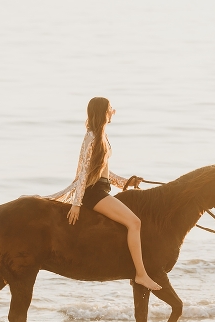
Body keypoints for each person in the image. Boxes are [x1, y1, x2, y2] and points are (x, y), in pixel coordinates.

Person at [43, 97, 161, 291]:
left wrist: (127, 182)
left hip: (101, 189)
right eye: (110, 108)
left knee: (133, 223)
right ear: (103, 112)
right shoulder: (90, 137)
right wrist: (76, 203)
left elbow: (102, 172)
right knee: (135, 223)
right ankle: (141, 275)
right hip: (94, 194)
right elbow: (83, 174)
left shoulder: (100, 136)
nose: (113, 111)